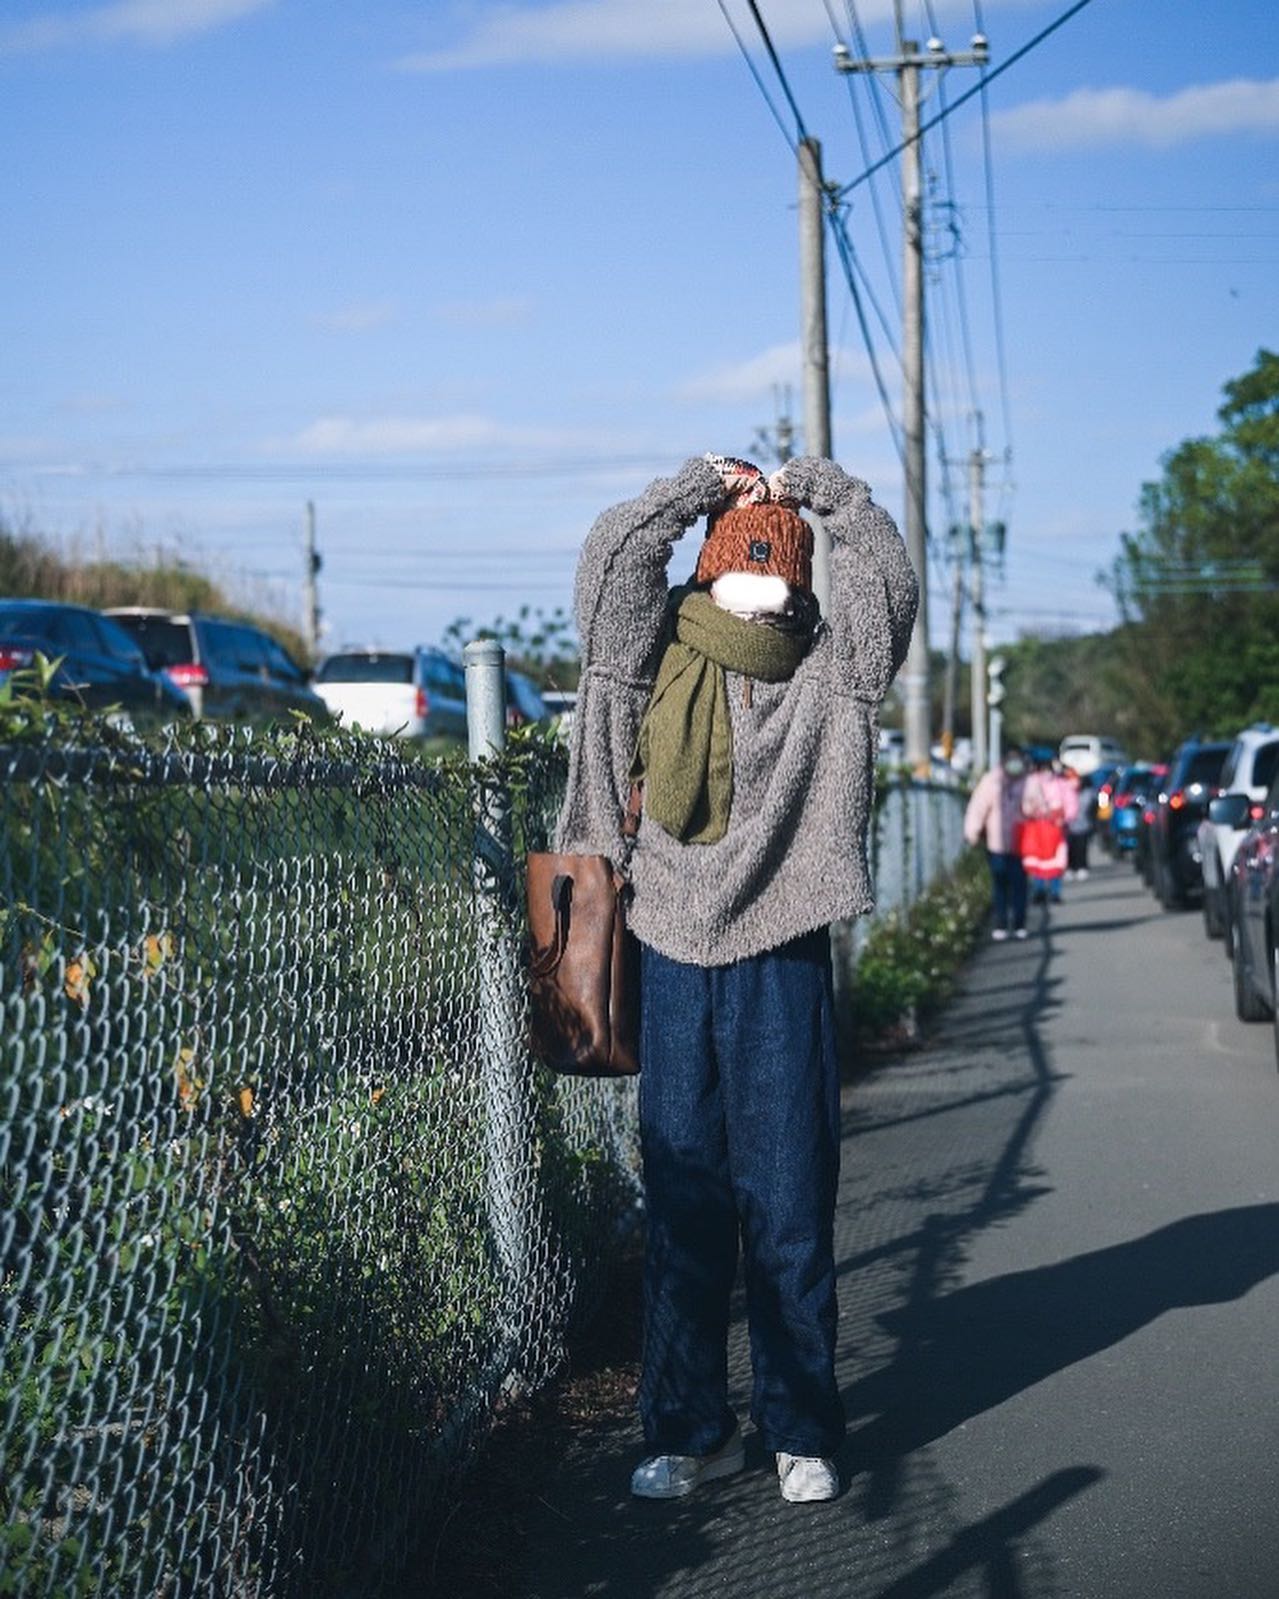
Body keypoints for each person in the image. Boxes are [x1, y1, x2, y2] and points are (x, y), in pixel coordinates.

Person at [556, 453, 918, 1504]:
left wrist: (829, 497)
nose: (757, 579)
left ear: (800, 587)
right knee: (683, 1201)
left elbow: (885, 592)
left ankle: (798, 1426)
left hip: (783, 953)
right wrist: (685, 495)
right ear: (708, 575)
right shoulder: (655, 656)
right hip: (667, 947)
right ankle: (685, 1425)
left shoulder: (830, 672)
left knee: (790, 1202)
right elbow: (608, 578)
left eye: (777, 569)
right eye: (737, 564)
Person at [963, 743, 1029, 939]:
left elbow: (1038, 806)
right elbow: (978, 808)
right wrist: (972, 832)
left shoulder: (1027, 782)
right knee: (1000, 883)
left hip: (1021, 844)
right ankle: (1001, 922)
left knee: (1020, 885)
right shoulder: (991, 782)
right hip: (996, 844)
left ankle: (1019, 923)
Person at [1020, 753, 1077, 903]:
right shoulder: (1032, 783)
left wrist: (1064, 819)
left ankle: (1054, 891)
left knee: (1057, 860)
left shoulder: (1061, 784)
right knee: (1038, 860)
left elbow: (1071, 803)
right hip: (1037, 827)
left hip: (1056, 828)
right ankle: (1039, 891)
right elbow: (1025, 803)